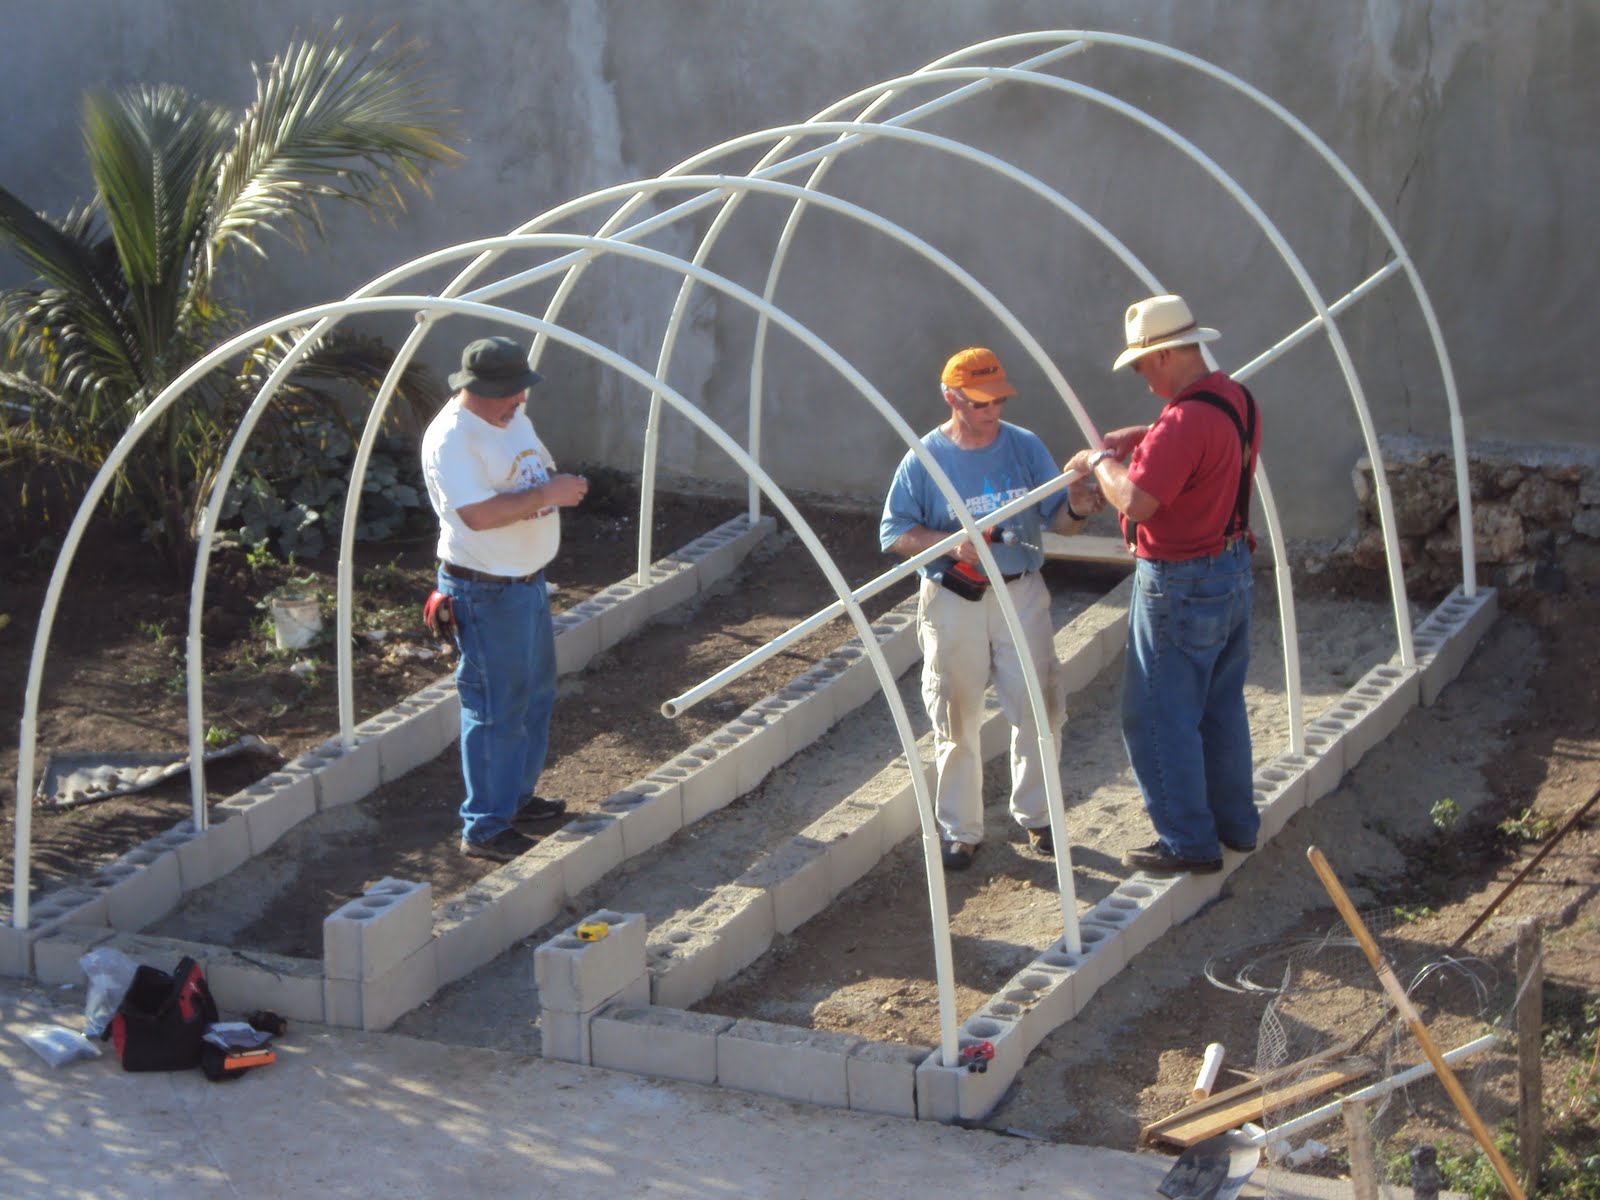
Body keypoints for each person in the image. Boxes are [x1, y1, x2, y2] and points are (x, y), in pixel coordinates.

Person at [880, 346, 1104, 871]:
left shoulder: (1023, 446)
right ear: (951, 398)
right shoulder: (924, 458)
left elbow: (1061, 521)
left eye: (998, 400)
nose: (993, 411)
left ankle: (1038, 815)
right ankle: (961, 829)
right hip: (955, 596)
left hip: (1021, 587)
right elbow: (895, 532)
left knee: (1040, 701)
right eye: (981, 403)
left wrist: (1077, 506)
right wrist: (946, 542)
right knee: (956, 711)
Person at [1064, 295, 1262, 875]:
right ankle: (1236, 826)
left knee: (1156, 712)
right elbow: (1196, 446)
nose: (1142, 375)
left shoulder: (1184, 420)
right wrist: (1143, 442)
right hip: (1231, 570)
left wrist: (1101, 462)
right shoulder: (1235, 400)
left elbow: (1140, 502)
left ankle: (1186, 841)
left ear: (1171, 355)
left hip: (1179, 581)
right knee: (1220, 706)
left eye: (1145, 363)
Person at [421, 335, 590, 861]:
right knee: (495, 707)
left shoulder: (509, 417)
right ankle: (485, 826)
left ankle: (515, 799)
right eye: (511, 394)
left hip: (525, 582)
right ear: (479, 389)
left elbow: (529, 468)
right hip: (485, 591)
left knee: (534, 696)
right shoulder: (453, 438)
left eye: (522, 392)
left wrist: (550, 489)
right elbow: (478, 515)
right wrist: (549, 496)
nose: (520, 402)